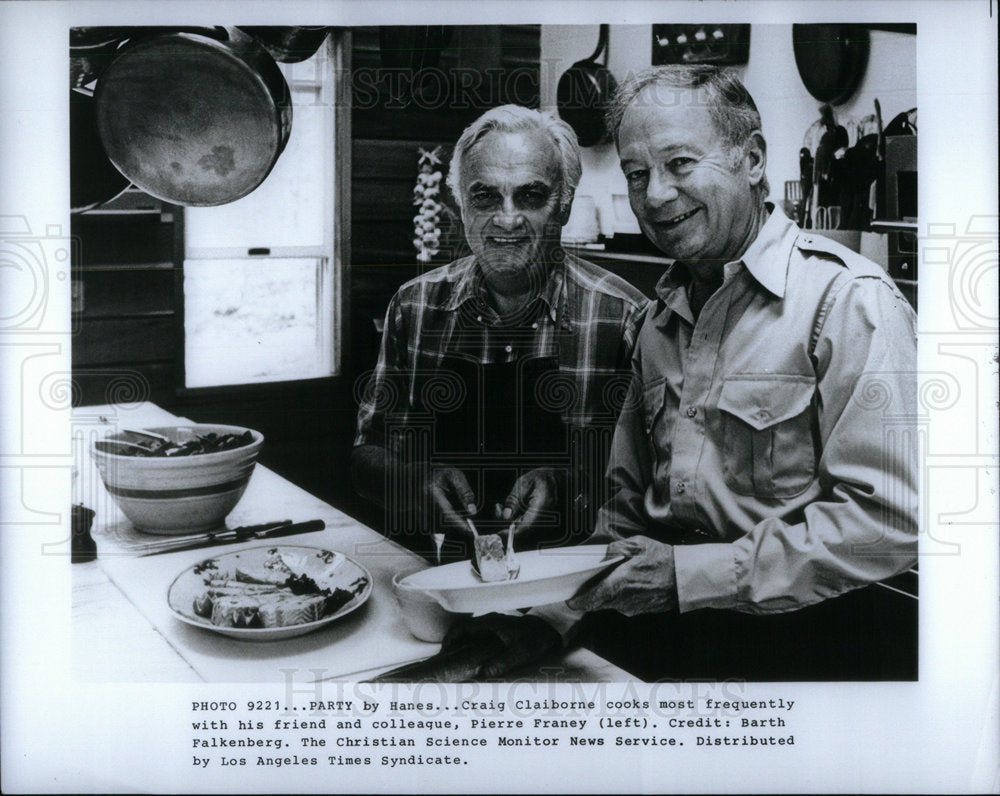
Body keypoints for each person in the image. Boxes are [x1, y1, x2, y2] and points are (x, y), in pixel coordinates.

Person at [394, 65, 918, 682]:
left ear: (751, 159)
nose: (657, 195)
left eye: (680, 164)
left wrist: (684, 576)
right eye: (637, 175)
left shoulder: (850, 302)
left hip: (809, 651)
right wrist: (553, 618)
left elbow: (887, 523)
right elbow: (625, 517)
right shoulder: (659, 321)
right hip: (667, 639)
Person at [352, 105, 648, 558]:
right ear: (460, 205)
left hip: (576, 586)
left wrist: (569, 489)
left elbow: (654, 489)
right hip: (447, 578)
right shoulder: (415, 307)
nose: (507, 220)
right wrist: (410, 482)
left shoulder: (624, 317)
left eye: (530, 197)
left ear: (565, 205)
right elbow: (367, 453)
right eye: (486, 197)